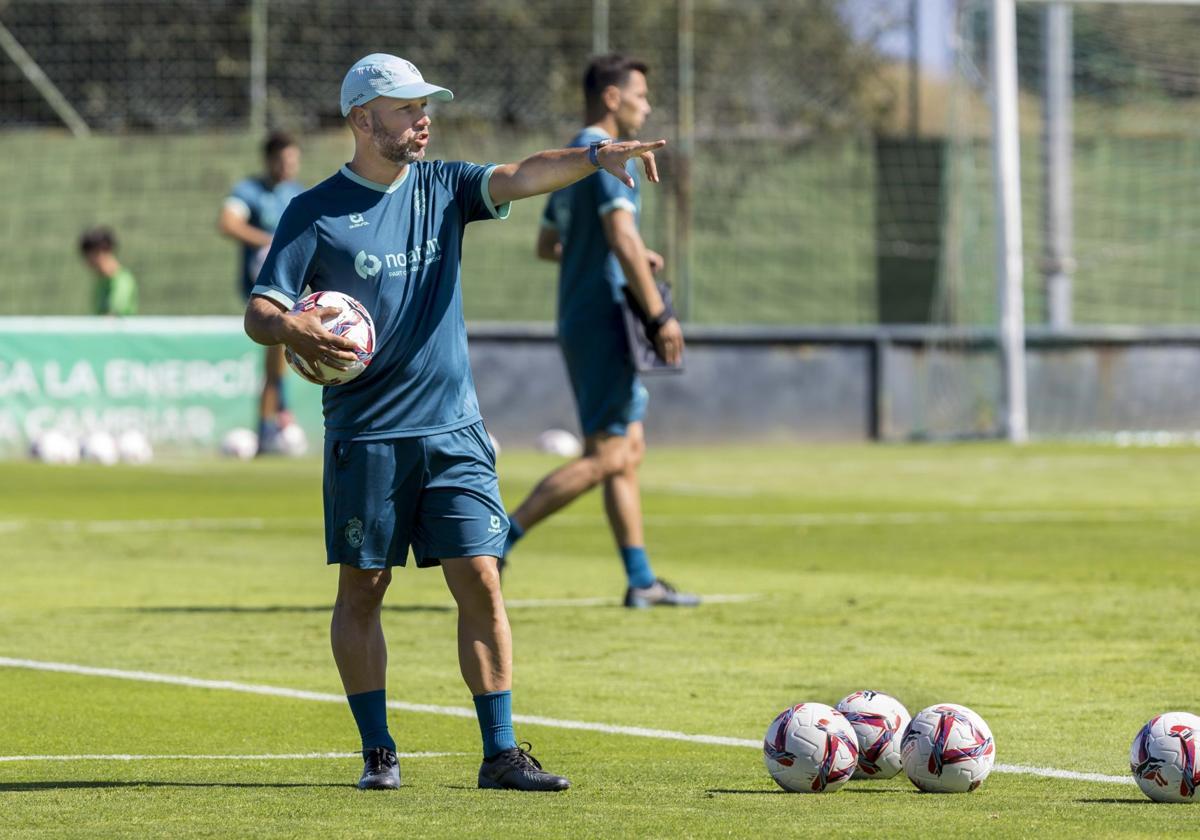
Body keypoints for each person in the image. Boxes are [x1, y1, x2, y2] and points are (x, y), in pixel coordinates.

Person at [243, 53, 666, 792]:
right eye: (407, 109)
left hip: (454, 430)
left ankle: (500, 753)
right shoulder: (313, 212)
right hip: (366, 436)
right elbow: (260, 309)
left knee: (481, 578)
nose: (422, 119)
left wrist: (596, 156)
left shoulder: (444, 188)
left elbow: (524, 174)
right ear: (361, 120)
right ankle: (378, 751)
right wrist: (292, 332)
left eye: (425, 106)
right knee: (363, 590)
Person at [500, 54, 697, 610]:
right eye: (641, 94)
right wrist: (658, 313)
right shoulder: (611, 158)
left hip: (579, 312)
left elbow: (548, 245)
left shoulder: (569, 158)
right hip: (606, 317)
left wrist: (607, 253)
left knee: (625, 450)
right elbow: (621, 235)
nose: (648, 105)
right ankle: (498, 539)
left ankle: (641, 581)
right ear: (612, 98)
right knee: (611, 454)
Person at [218, 131, 305, 453]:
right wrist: (270, 242)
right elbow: (228, 223)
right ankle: (272, 424)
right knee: (276, 353)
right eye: (284, 161)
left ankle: (275, 422)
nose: (289, 167)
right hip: (262, 292)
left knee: (281, 355)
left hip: (294, 289)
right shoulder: (250, 191)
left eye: (294, 161)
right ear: (269, 160)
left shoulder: (298, 195)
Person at [78, 226, 138, 316]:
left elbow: (113, 317)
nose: (87, 263)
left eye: (89, 256)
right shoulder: (100, 283)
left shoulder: (123, 281)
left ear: (103, 251)